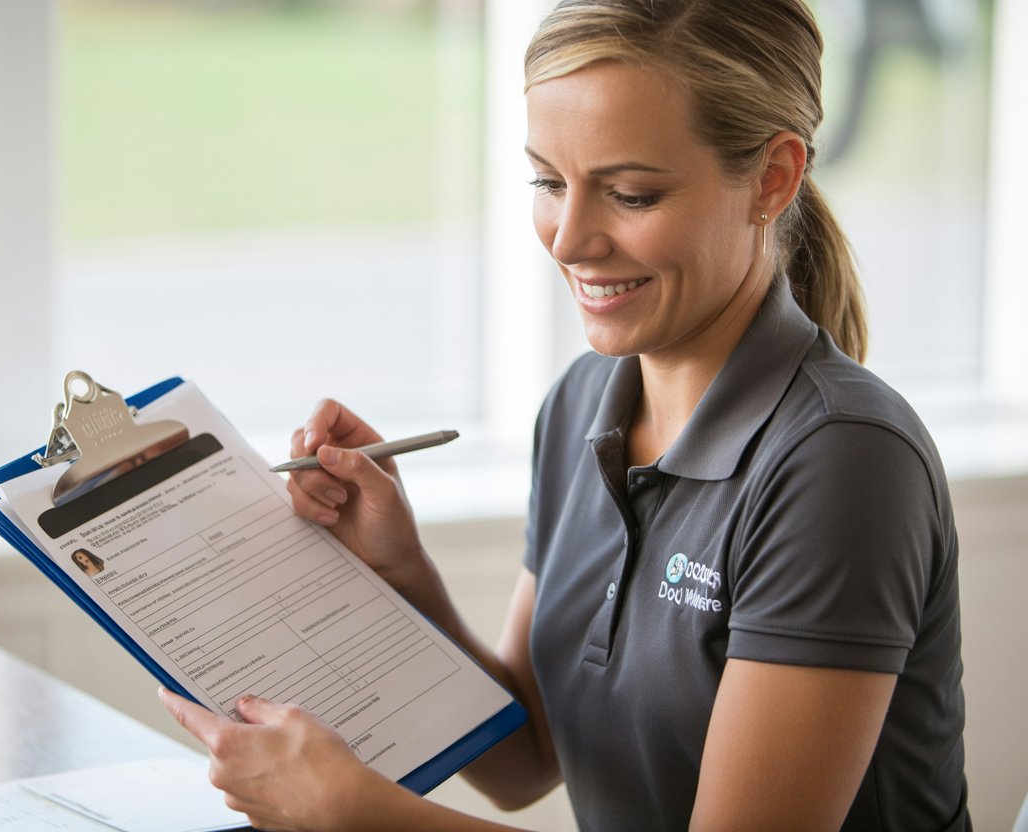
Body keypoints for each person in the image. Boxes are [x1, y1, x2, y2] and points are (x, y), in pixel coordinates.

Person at [158, 1, 968, 829]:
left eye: (630, 194)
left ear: (773, 179)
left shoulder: (843, 462)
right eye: (548, 182)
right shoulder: (584, 402)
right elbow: (525, 760)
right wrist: (399, 573)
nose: (569, 239)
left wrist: (358, 812)